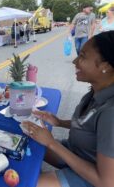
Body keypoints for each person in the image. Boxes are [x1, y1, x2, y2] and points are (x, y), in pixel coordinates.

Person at [22, 31, 114, 187]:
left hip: (91, 176)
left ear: (105, 66)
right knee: (27, 144)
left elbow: (106, 182)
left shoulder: (111, 113)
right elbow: (90, 124)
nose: (75, 61)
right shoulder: (96, 91)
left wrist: (51, 143)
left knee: (26, 184)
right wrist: (59, 122)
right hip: (76, 152)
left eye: (83, 56)